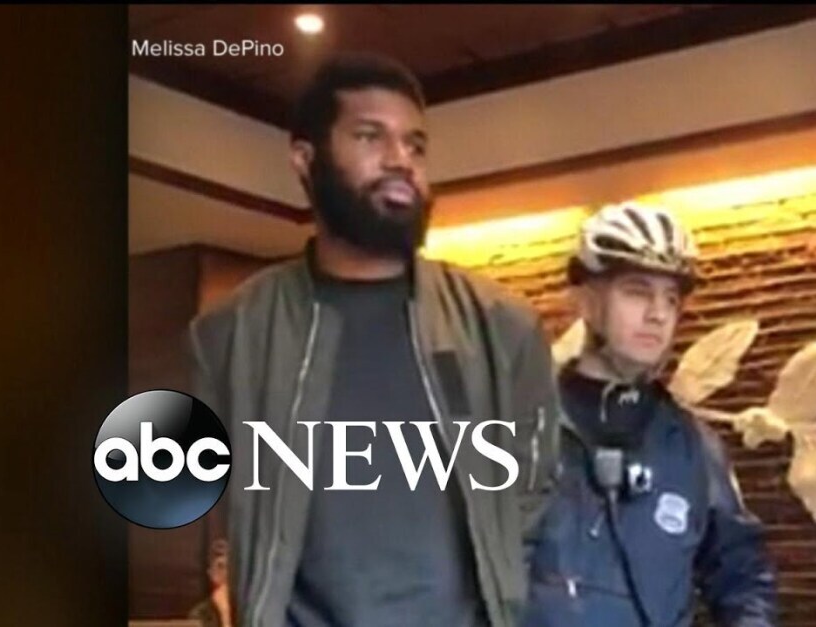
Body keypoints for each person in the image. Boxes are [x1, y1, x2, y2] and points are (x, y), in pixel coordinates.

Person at [187, 53, 561, 627]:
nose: (400, 160)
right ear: (305, 159)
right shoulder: (233, 332)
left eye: (415, 145)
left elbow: (533, 502)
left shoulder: (502, 327)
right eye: (370, 137)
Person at [523, 202, 778, 626]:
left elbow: (743, 576)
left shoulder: (694, 446)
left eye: (671, 299)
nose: (658, 314)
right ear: (586, 302)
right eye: (637, 291)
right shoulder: (520, 425)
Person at [188, 539, 232, 627]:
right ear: (211, 573)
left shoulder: (248, 609)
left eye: (230, 567)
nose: (226, 573)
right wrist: (224, 612)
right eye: (220, 567)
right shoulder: (201, 613)